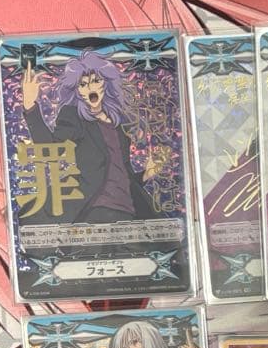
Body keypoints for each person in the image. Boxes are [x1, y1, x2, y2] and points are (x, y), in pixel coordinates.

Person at [21, 51, 166, 225]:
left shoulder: (118, 125)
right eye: (83, 84)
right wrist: (30, 107)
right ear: (77, 91)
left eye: (96, 81)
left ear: (106, 83)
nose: (90, 88)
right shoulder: (74, 117)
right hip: (95, 208)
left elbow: (121, 175)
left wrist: (146, 174)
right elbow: (52, 149)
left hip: (128, 210)